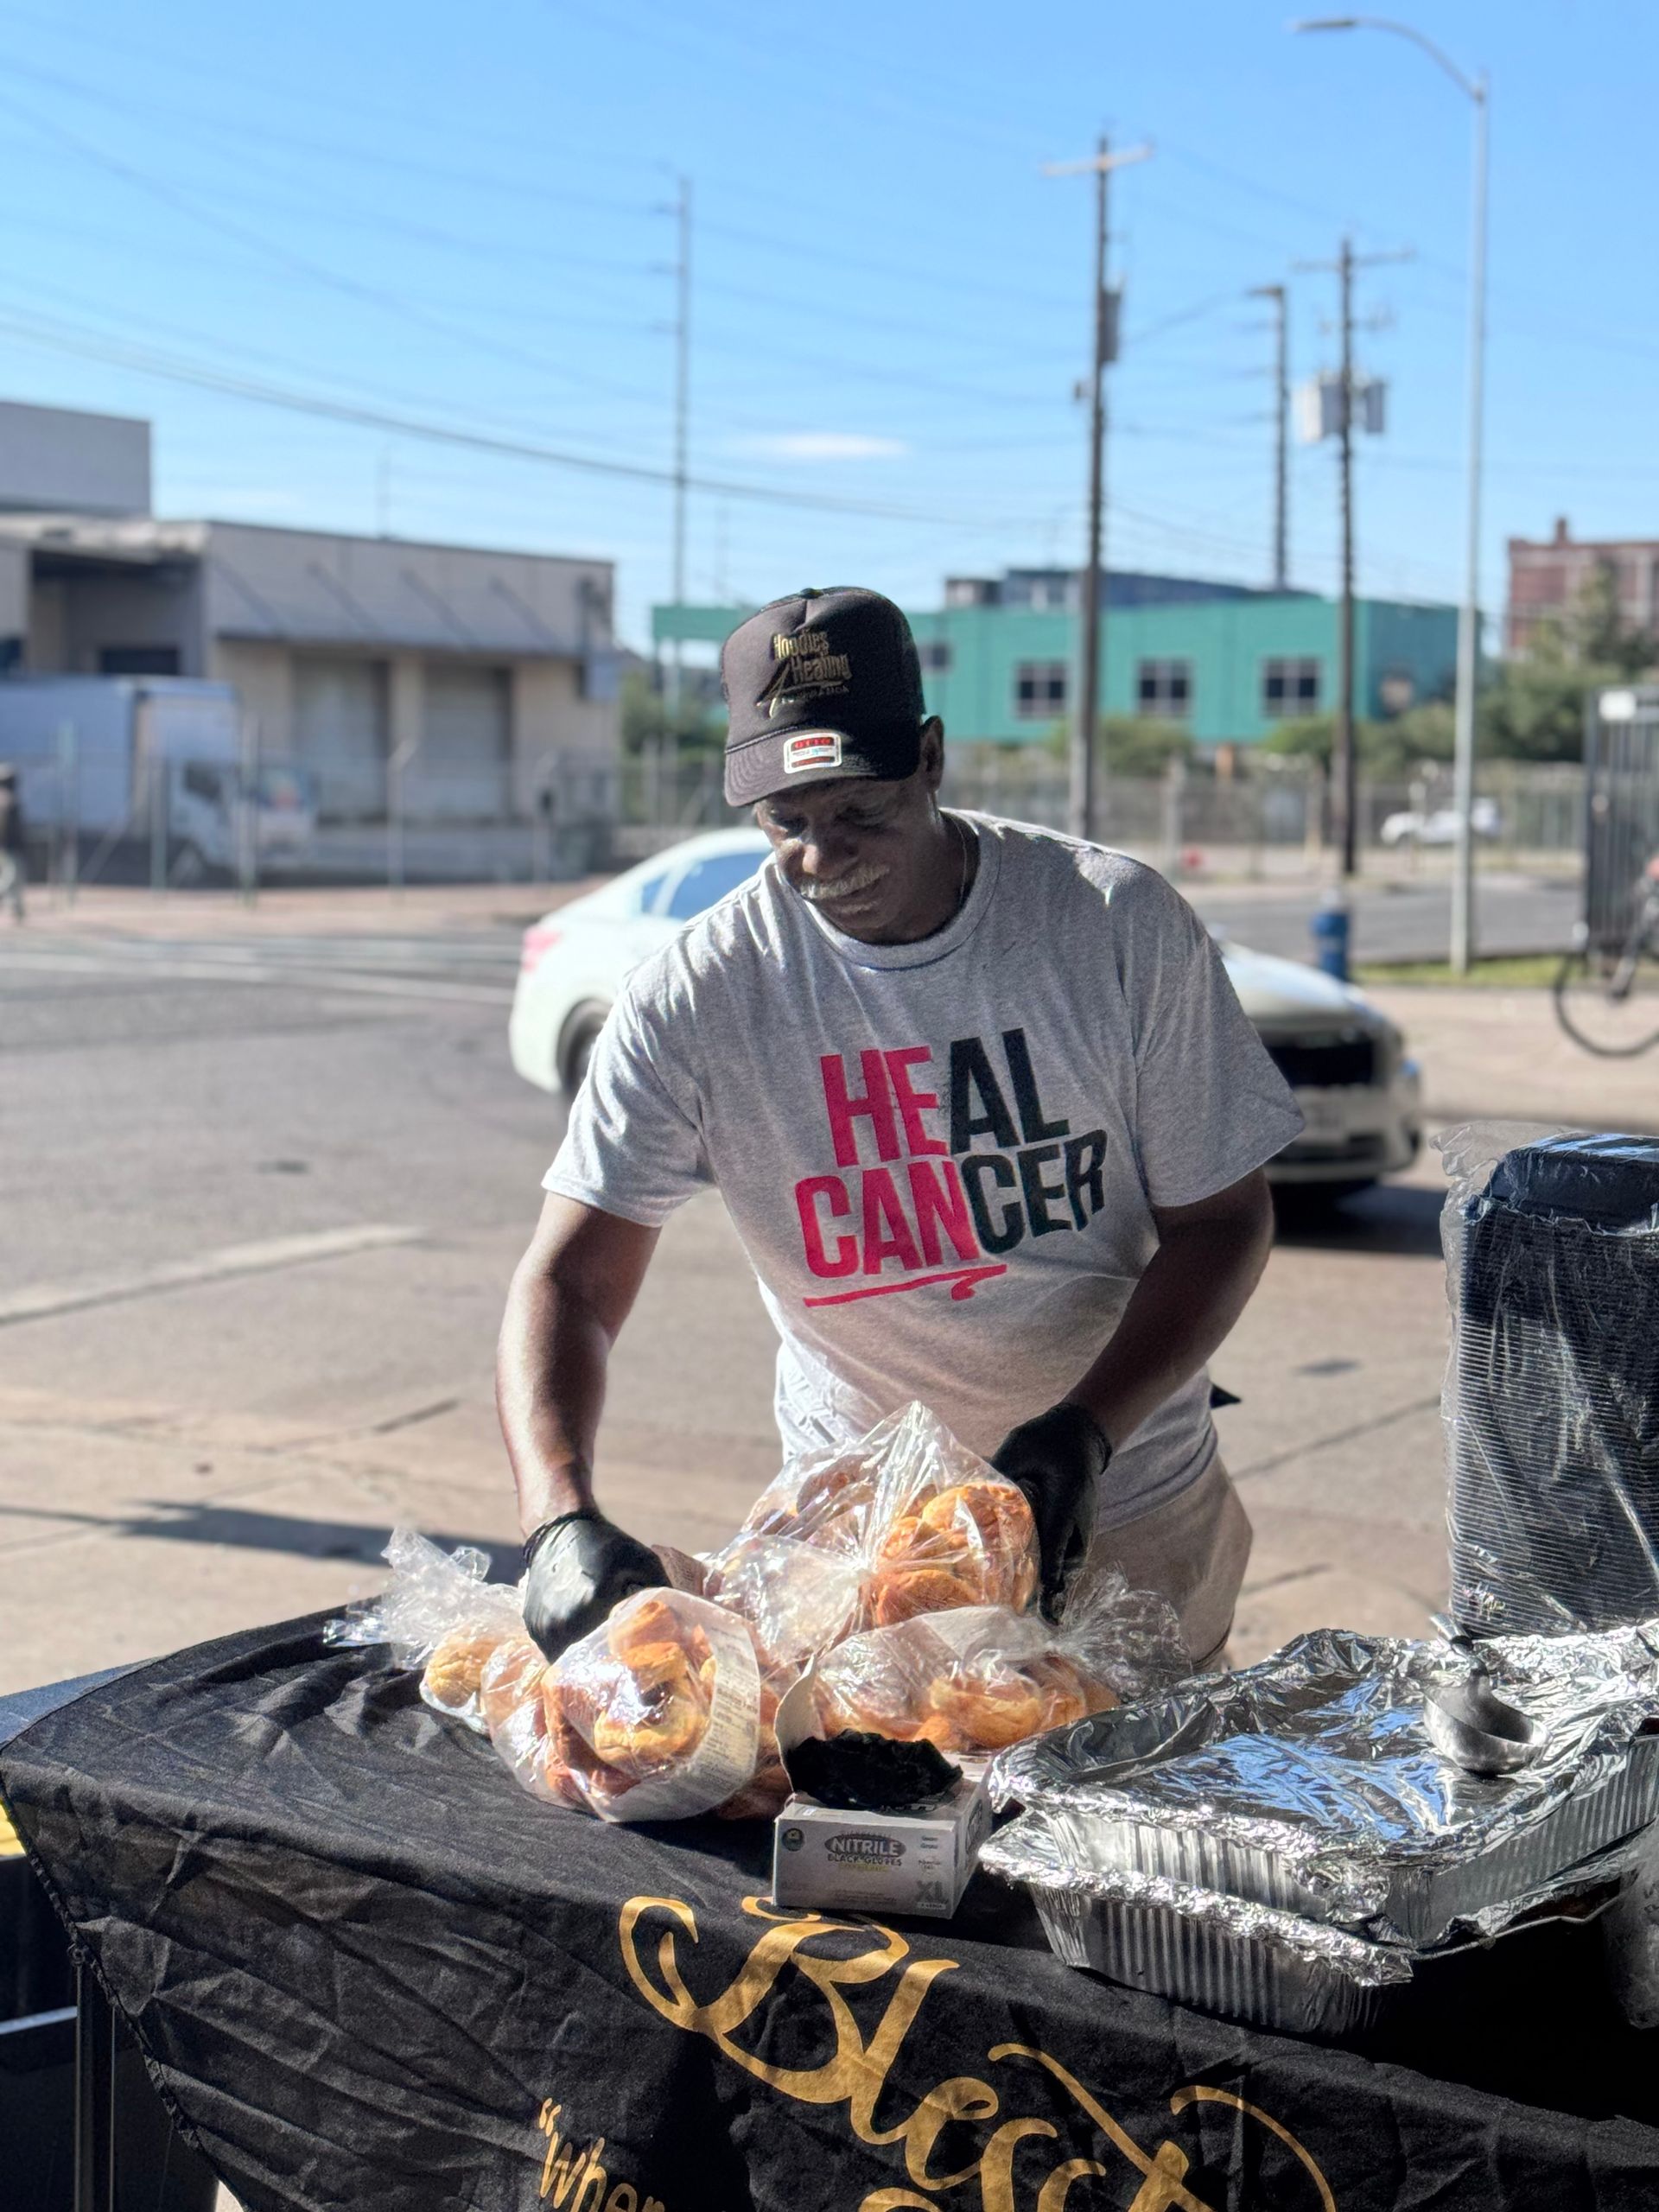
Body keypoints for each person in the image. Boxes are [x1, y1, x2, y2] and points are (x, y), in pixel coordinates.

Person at [499, 588, 1303, 1668]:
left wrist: (1086, 1430)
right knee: (869, 1826)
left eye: (860, 812)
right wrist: (558, 1516)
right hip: (858, 1539)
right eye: (789, 823)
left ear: (930, 757)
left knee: (1124, 1824)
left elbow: (1223, 1218)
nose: (826, 859)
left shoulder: (1109, 926)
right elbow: (570, 1283)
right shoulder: (699, 995)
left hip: (1122, 1511)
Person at [0, 765, 24, 923]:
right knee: (11, 875)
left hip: (10, 845)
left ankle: (18, 908)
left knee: (16, 877)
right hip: (8, 846)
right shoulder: (7, 800)